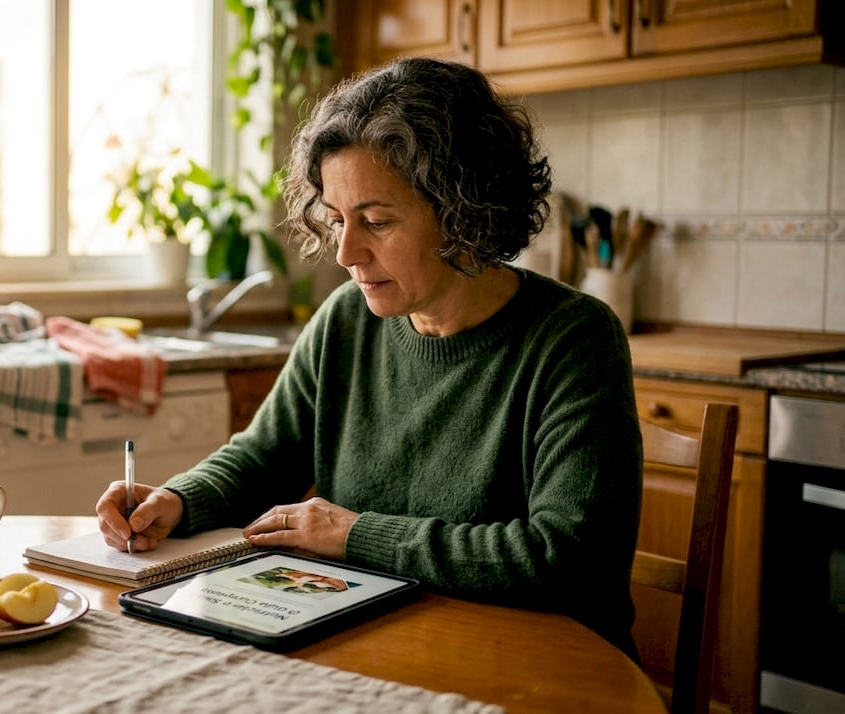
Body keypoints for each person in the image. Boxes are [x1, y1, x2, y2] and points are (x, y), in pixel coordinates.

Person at [95, 57, 643, 658]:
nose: (346, 252)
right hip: (382, 642)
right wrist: (179, 501)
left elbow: (566, 559)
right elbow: (263, 459)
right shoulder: (346, 320)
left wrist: (355, 535)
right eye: (337, 220)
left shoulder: (573, 339)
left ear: (465, 213)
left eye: (377, 221)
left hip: (538, 662)